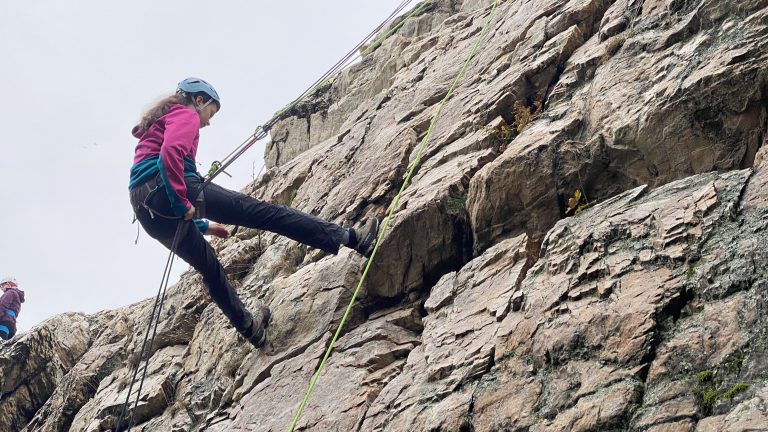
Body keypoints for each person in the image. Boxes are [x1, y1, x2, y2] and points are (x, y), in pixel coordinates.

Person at [129, 78, 379, 348]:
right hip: (169, 188)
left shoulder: (159, 123)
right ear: (199, 100)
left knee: (210, 269)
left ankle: (250, 328)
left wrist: (202, 226)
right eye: (210, 113)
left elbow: (166, 192)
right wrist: (181, 203)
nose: (208, 122)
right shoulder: (186, 114)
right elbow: (171, 155)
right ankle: (352, 238)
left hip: (147, 212)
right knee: (266, 214)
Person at [0, 277, 25, 341]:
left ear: (8, 284)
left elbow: (2, 306)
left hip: (3, 322)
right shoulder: (17, 296)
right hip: (11, 324)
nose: (2, 288)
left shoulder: (10, 292)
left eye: (2, 285)